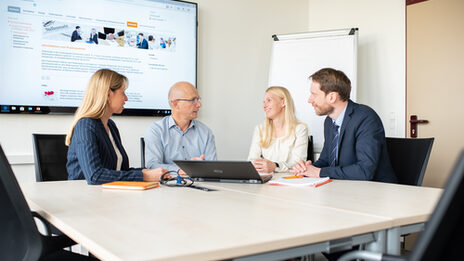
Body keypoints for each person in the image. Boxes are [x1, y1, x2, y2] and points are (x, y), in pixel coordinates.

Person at [292, 68, 397, 183]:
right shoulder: (329, 121)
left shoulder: (365, 118)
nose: (309, 100)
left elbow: (364, 171)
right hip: (343, 188)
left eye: (314, 94)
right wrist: (307, 169)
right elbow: (326, 160)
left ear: (332, 97)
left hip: (374, 191)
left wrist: (319, 172)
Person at [66, 69, 168, 185]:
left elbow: (119, 171)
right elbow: (95, 176)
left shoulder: (111, 126)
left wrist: (148, 172)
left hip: (107, 194)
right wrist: (143, 175)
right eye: (123, 92)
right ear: (108, 94)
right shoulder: (85, 126)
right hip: (83, 196)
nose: (126, 98)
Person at [144, 82, 217, 175]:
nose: (199, 104)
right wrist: (180, 170)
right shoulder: (156, 130)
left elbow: (213, 168)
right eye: (193, 100)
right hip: (167, 186)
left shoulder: (206, 132)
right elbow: (152, 165)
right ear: (175, 104)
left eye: (198, 99)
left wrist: (202, 167)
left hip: (199, 186)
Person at [248, 86, 308, 173]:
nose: (264, 106)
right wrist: (259, 166)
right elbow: (252, 160)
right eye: (264, 102)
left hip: (289, 181)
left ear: (283, 102)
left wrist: (275, 166)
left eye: (269, 100)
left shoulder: (300, 129)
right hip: (265, 180)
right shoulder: (260, 129)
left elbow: (298, 164)